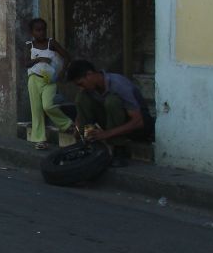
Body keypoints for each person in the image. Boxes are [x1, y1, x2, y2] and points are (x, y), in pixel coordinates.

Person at [66, 59, 155, 164]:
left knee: (112, 101)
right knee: (81, 98)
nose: (81, 87)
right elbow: (82, 113)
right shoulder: (89, 89)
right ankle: (90, 140)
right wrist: (78, 130)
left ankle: (119, 149)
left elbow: (139, 122)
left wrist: (107, 134)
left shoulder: (119, 84)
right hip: (113, 124)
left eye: (81, 84)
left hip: (139, 126)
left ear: (89, 75)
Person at [23, 17, 73, 149]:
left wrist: (62, 71)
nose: (41, 33)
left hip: (49, 80)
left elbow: (67, 56)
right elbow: (26, 63)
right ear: (32, 32)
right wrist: (39, 59)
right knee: (36, 110)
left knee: (48, 105)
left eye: (43, 30)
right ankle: (40, 140)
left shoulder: (52, 43)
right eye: (37, 30)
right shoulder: (29, 45)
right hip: (34, 79)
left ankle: (67, 124)